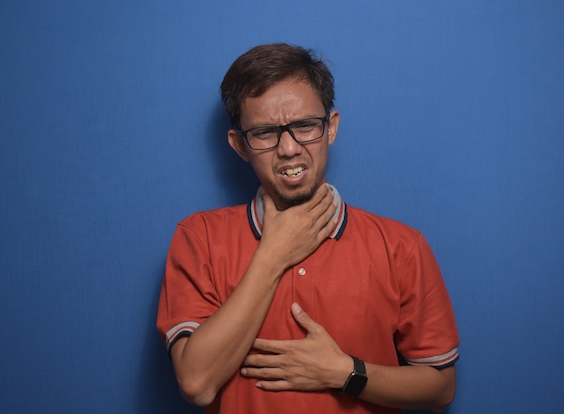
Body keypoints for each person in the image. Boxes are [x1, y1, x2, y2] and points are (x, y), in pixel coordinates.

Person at [156, 43, 460, 414]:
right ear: (240, 146)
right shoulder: (199, 238)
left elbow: (440, 388)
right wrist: (272, 255)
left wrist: (346, 373)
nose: (288, 148)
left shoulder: (401, 246)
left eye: (304, 126)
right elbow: (197, 383)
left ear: (330, 128)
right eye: (266, 132)